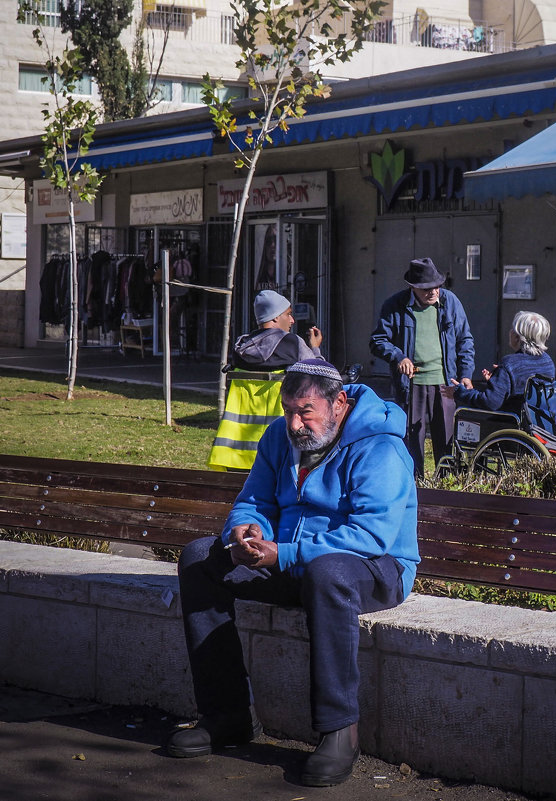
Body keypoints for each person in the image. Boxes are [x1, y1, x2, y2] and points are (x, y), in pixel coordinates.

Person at [168, 359, 419, 787]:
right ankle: (227, 715)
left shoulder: (381, 447)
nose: (295, 423)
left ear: (338, 403)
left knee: (327, 574)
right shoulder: (277, 439)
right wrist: (247, 531)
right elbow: (255, 500)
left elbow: (370, 535)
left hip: (374, 567)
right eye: (287, 410)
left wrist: (283, 553)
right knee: (198, 560)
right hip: (289, 558)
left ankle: (340, 730)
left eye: (306, 411)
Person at [369, 257, 475, 477]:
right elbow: (377, 341)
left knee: (446, 437)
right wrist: (399, 357)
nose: (433, 292)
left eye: (436, 286)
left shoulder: (450, 302)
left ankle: (447, 484)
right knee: (411, 438)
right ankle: (414, 483)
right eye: (426, 288)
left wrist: (465, 374)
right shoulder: (394, 305)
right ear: (413, 287)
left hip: (445, 381)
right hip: (411, 383)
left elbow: (465, 340)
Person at [445, 310, 555, 414]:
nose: (510, 332)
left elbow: (490, 403)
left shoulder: (510, 364)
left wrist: (460, 392)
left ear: (517, 337)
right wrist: (498, 380)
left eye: (512, 329)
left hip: (511, 421)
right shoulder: (547, 361)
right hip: (539, 419)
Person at [229, 289, 323, 371]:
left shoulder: (241, 346)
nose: (292, 320)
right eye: (288, 314)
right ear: (276, 317)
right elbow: (320, 375)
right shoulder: (293, 343)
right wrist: (315, 348)